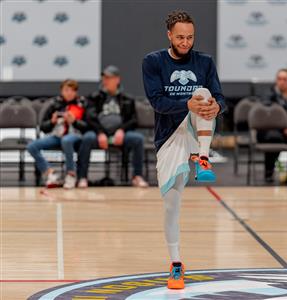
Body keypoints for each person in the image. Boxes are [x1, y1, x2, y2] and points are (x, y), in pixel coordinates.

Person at [141, 10, 226, 289]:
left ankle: (203, 158)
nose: (186, 42)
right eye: (180, 37)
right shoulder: (153, 62)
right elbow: (157, 102)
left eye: (190, 37)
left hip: (198, 126)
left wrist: (217, 106)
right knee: (171, 205)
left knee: (203, 94)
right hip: (169, 134)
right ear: (169, 35)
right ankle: (176, 263)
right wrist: (186, 105)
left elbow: (219, 96)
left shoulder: (205, 61)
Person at [77, 65, 148, 188]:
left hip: (120, 134)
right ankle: (82, 177)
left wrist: (121, 130)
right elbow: (89, 118)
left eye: (109, 78)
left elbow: (133, 120)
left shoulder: (127, 99)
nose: (105, 81)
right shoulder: (94, 98)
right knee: (87, 139)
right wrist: (100, 133)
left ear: (117, 80)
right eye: (104, 78)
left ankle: (137, 176)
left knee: (138, 139)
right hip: (99, 134)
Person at [27, 79, 87, 189]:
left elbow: (87, 126)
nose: (69, 93)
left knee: (67, 140)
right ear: (61, 91)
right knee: (32, 146)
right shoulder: (54, 104)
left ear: (76, 92)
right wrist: (52, 121)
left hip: (75, 136)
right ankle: (50, 172)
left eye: (72, 90)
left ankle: (71, 174)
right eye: (66, 90)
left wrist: (74, 121)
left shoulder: (82, 104)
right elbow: (43, 127)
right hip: (57, 136)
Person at [259, 68, 287, 183]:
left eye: (284, 79)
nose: (281, 82)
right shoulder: (269, 96)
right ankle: (269, 173)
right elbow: (268, 116)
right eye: (279, 79)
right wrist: (283, 128)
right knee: (273, 137)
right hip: (275, 130)